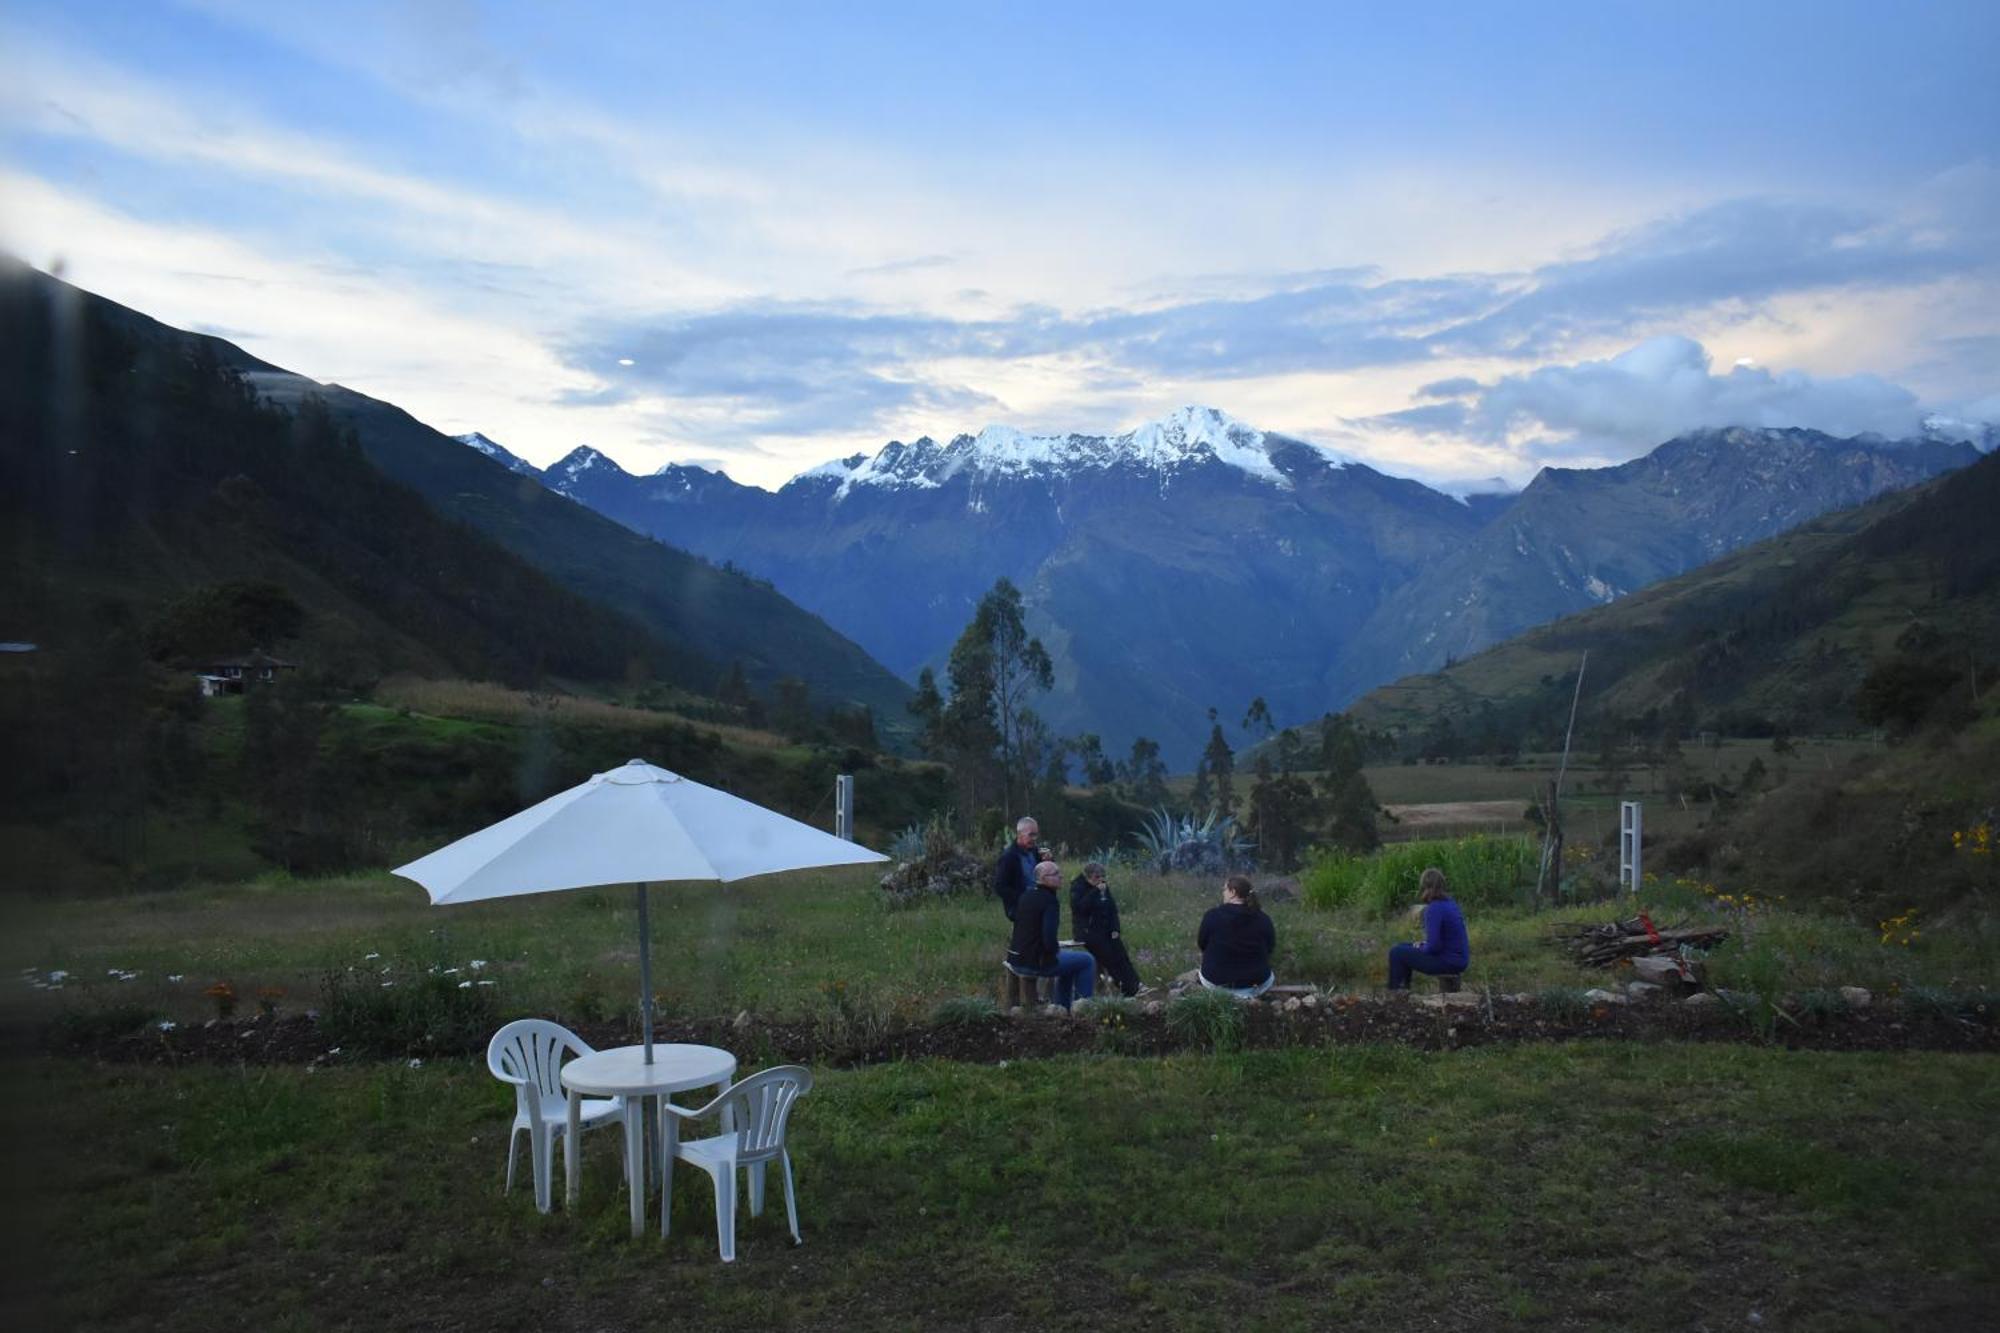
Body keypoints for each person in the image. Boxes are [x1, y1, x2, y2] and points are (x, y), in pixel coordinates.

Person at [1008, 859, 1096, 1009]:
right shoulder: (1049, 901)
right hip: (1035, 963)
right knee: (1087, 960)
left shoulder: (1026, 895)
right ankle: (1082, 1008)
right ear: (1043, 879)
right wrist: (1055, 950)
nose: (1061, 876)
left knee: (1069, 961)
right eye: (1056, 874)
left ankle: (1062, 1007)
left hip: (1017, 959)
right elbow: (1048, 938)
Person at [1069, 861, 1148, 998]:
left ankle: (1137, 984)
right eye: (1096, 877)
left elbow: (1112, 909)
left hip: (1105, 929)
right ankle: (1128, 989)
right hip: (1088, 932)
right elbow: (1080, 908)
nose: (1100, 880)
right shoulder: (1078, 887)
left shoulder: (1103, 887)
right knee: (1109, 958)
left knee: (1121, 954)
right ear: (1088, 877)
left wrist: (1115, 928)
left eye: (1102, 877)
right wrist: (1095, 891)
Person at [1387, 867, 1470, 990]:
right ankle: (1403, 990)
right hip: (1460, 959)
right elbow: (1441, 940)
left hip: (1448, 961)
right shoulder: (1450, 903)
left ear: (1425, 887)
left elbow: (1434, 947)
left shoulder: (1434, 909)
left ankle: (1396, 994)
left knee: (1396, 952)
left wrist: (1422, 947)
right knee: (1403, 946)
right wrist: (1421, 945)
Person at [1197, 875, 1275, 997]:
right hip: (1256, 984)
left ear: (1233, 892)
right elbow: (1270, 948)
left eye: (1224, 889)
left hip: (1216, 983)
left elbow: (1202, 944)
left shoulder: (1212, 916)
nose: (1223, 893)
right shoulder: (1263, 918)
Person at [993, 815, 1041, 922]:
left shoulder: (1036, 852)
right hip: (1019, 907)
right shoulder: (1009, 857)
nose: (1034, 839)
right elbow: (999, 886)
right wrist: (1022, 898)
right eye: (1031, 835)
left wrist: (1049, 860)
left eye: (1036, 835)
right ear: (1019, 834)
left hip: (1038, 901)